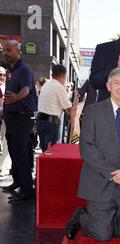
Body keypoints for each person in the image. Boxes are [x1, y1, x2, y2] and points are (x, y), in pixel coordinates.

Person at [65, 68, 120, 241]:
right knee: (102, 236)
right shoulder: (93, 112)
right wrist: (112, 174)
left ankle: (112, 221)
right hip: (100, 182)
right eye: (117, 83)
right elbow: (86, 148)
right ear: (108, 86)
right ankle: (82, 217)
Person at [1, 40, 38, 202]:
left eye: (9, 50)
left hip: (22, 118)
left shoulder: (24, 70)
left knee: (20, 153)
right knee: (14, 151)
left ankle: (27, 190)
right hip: (11, 117)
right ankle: (17, 181)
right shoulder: (11, 70)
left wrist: (16, 97)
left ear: (18, 51)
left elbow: (26, 90)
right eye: (3, 50)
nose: (5, 53)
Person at [36, 64, 72, 152]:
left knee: (44, 149)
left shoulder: (45, 85)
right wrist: (71, 118)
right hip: (50, 123)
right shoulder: (59, 87)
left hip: (40, 120)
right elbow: (68, 108)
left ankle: (43, 165)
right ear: (63, 75)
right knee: (51, 150)